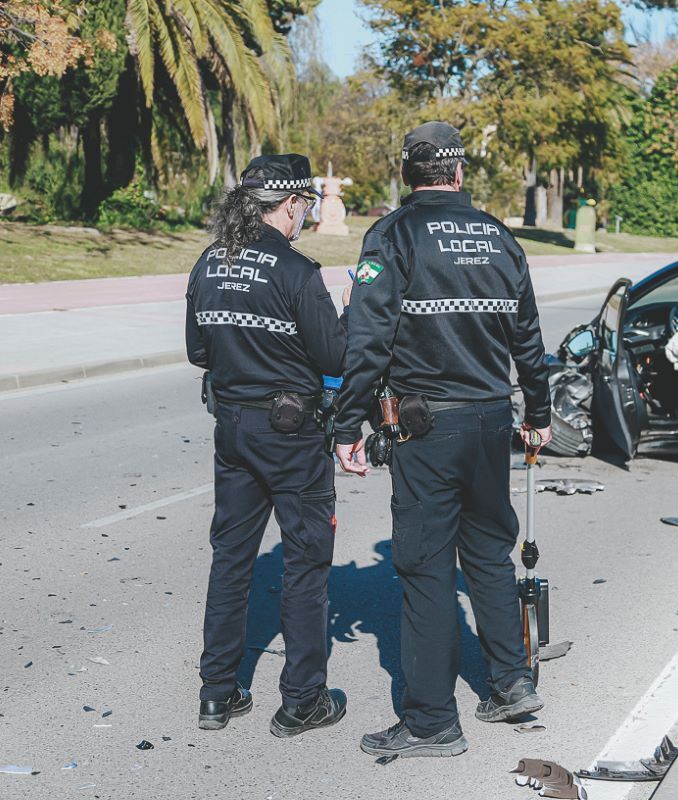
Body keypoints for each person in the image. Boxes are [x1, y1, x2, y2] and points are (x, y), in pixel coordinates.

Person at [332, 121, 552, 759]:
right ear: (459, 174)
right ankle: (512, 682)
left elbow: (366, 340)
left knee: (425, 567)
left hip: (425, 425)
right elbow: (528, 338)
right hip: (488, 420)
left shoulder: (393, 235)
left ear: (409, 174)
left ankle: (431, 720)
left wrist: (347, 424)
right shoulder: (499, 238)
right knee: (487, 553)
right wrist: (538, 410)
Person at [185, 154, 349, 737]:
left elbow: (197, 352)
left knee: (231, 558)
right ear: (291, 204)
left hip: (232, 427)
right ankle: (302, 699)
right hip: (292, 433)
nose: (303, 214)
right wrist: (348, 316)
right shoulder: (299, 273)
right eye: (303, 205)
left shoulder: (209, 262)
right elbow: (334, 358)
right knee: (306, 562)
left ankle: (216, 692)